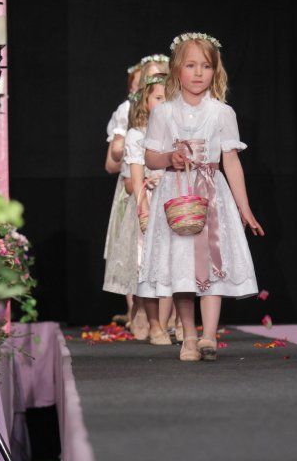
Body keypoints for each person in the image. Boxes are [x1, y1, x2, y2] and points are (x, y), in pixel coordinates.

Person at [139, 32, 264, 362]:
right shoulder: (164, 113)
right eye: (191, 65)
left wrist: (244, 207)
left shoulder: (222, 112)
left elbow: (231, 160)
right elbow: (150, 157)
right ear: (177, 70)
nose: (198, 73)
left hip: (212, 194)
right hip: (177, 193)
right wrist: (170, 158)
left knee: (211, 263)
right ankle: (190, 336)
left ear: (215, 71)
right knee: (182, 266)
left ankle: (209, 335)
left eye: (206, 66)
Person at [103, 55, 169, 337]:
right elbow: (112, 162)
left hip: (167, 192)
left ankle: (170, 316)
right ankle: (139, 309)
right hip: (136, 184)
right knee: (137, 250)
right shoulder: (128, 113)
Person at [123, 73, 177, 345]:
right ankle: (154, 323)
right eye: (158, 98)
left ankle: (176, 321)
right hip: (151, 203)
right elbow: (135, 179)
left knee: (176, 262)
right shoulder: (137, 134)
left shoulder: (177, 131)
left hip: (174, 202)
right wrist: (143, 209)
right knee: (148, 263)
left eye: (169, 98)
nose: (164, 103)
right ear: (145, 101)